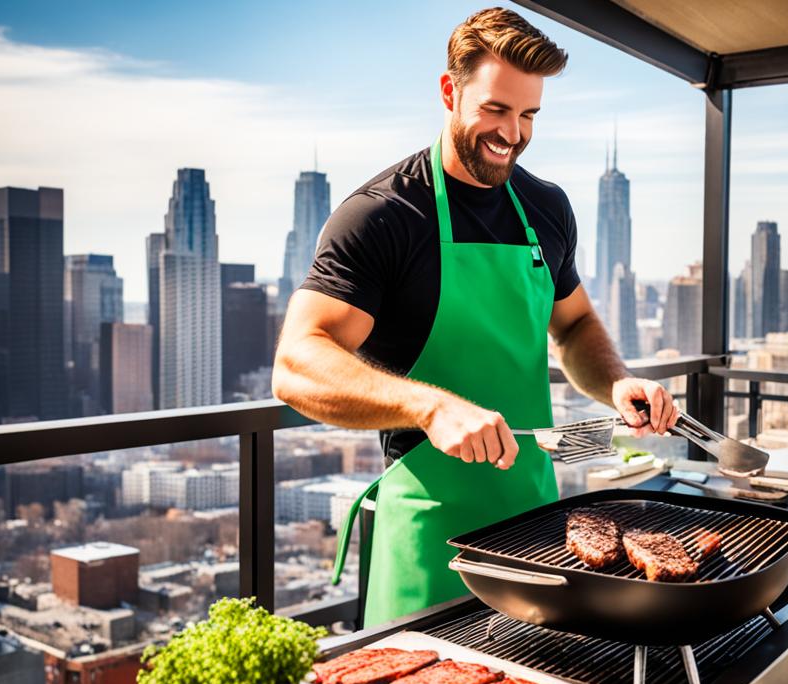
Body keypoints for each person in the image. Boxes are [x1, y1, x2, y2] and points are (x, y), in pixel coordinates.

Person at [272, 7, 679, 626]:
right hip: (429, 535)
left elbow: (573, 327)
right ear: (449, 91)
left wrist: (617, 381)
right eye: (495, 110)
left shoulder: (546, 208)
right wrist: (428, 407)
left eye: (528, 115)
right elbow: (297, 363)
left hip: (540, 530)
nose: (512, 133)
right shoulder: (383, 215)